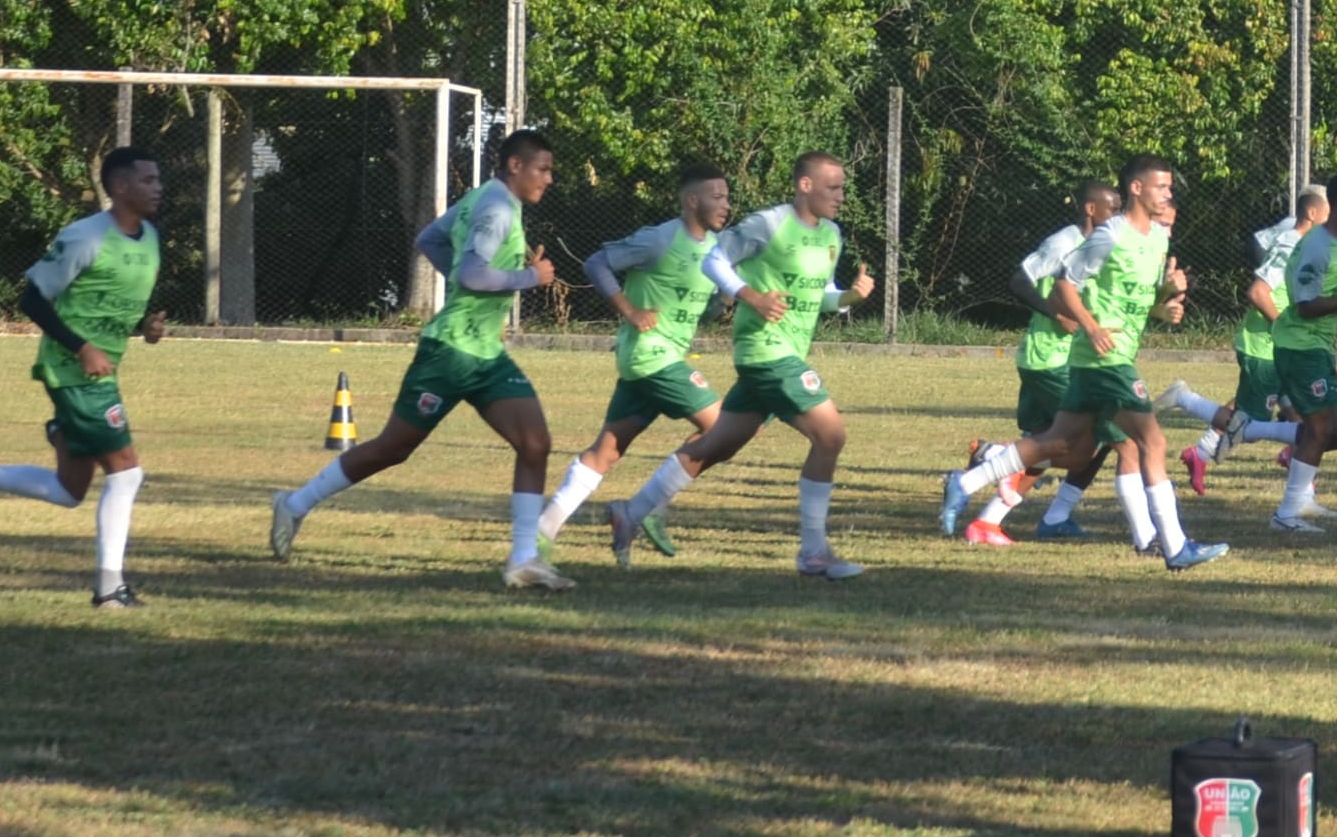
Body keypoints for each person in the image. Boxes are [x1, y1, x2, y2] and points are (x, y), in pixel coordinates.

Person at [267, 130, 568, 589]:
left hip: (485, 353)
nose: (548, 179)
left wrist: (477, 283)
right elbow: (471, 274)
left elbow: (430, 239)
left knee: (535, 443)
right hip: (449, 353)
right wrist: (530, 276)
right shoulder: (497, 208)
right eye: (543, 169)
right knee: (393, 448)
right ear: (515, 166)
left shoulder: (486, 199)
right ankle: (293, 505)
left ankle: (523, 559)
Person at [600, 153, 879, 579]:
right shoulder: (768, 224)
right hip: (765, 352)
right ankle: (814, 553)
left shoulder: (831, 235)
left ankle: (631, 512)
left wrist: (848, 298)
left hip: (785, 353)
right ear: (805, 185)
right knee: (830, 436)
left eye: (842, 187)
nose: (842, 196)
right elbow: (714, 260)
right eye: (833, 187)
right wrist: (752, 297)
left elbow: (820, 294)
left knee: (717, 445)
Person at [943, 155, 1226, 570]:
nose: (1168, 193)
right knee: (1152, 443)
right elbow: (1064, 286)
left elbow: (1136, 301)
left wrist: (1163, 302)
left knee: (1060, 443)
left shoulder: (1156, 239)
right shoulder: (1110, 235)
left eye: (1170, 187)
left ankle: (966, 481)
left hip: (1104, 358)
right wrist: (1091, 327)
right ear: (1136, 188)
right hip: (1106, 359)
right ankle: (1174, 546)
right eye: (1162, 186)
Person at [0, 147, 169, 608]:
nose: (158, 188)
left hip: (98, 371)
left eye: (157, 179)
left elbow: (102, 307)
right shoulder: (85, 237)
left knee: (70, 491)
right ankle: (109, 589)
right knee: (127, 473)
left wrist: (143, 328)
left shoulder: (149, 238)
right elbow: (32, 300)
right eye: (148, 180)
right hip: (73, 371)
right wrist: (81, 348)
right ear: (119, 186)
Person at [535, 163, 749, 558]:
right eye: (717, 197)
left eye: (727, 197)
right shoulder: (660, 240)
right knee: (724, 428)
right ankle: (641, 510)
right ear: (692, 200)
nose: (726, 205)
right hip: (652, 356)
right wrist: (630, 311)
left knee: (606, 452)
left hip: (651, 361)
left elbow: (698, 312)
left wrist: (723, 300)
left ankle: (542, 531)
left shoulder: (713, 250)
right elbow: (596, 263)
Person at [954, 180, 1119, 546]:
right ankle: (997, 456)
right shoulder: (1063, 243)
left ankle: (987, 523)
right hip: (1050, 360)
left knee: (1046, 443)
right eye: (1113, 209)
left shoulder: (1101, 246)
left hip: (1065, 359)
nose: (1117, 216)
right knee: (1103, 432)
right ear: (1091, 209)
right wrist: (1057, 315)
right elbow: (1018, 281)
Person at [1165, 186, 1318, 497]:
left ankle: (1301, 493)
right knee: (1252, 424)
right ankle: (1185, 400)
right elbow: (1259, 290)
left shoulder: (1313, 244)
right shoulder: (1290, 241)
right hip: (1265, 346)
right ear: (1315, 214)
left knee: (1301, 415)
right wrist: (1285, 325)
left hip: (1284, 348)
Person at [1267, 174, 1337, 533]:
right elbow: (1305, 306)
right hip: (1299, 346)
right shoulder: (1319, 246)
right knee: (1318, 428)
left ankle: (1250, 431)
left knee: (1336, 434)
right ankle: (1286, 514)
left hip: (1320, 347)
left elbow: (1324, 298)